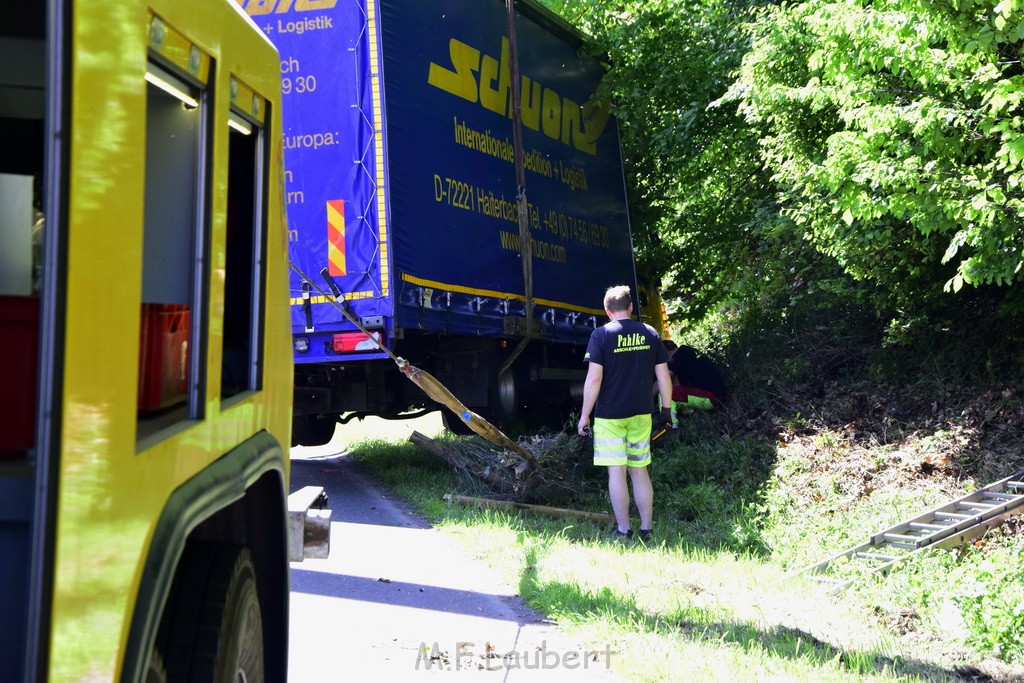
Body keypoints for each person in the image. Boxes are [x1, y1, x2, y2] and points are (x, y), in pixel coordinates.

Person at [577, 285, 673, 542]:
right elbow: (663, 375)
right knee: (639, 470)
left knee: (616, 472)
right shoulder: (650, 333)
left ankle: (623, 530)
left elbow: (594, 379)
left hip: (610, 415)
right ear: (631, 307)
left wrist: (584, 416)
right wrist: (666, 409)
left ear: (607, 311)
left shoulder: (600, 335)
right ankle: (646, 529)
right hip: (641, 412)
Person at [662, 341, 725, 425]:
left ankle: (672, 427)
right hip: (716, 396)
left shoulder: (679, 357)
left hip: (710, 397)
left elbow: (662, 380)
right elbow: (678, 388)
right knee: (674, 393)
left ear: (668, 353)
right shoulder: (688, 353)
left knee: (665, 394)